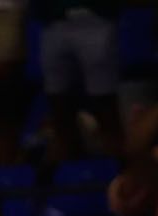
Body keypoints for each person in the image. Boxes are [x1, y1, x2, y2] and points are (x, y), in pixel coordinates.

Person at [39, 0, 122, 161]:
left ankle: (119, 163)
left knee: (104, 100)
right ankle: (63, 163)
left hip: (97, 18)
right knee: (57, 97)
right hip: (55, 21)